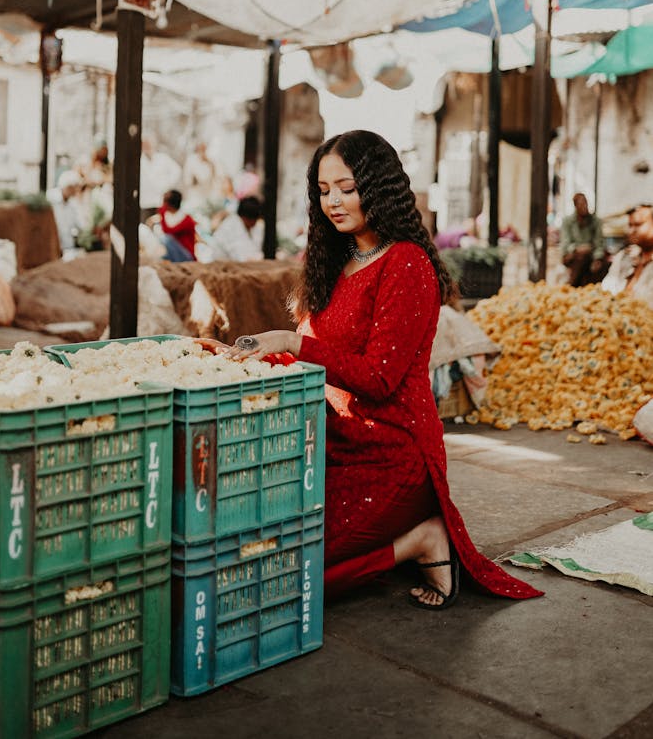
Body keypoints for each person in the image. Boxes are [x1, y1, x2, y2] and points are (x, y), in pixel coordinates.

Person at [212, 130, 541, 608]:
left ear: (378, 186)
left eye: (346, 188)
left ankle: (421, 537)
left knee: (285, 578)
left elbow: (377, 378)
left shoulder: (406, 265)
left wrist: (290, 341)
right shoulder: (337, 258)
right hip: (333, 444)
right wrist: (233, 358)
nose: (333, 202)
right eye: (324, 191)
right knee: (249, 553)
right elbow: (318, 359)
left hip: (392, 454)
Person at [602, 203, 653, 308]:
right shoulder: (624, 257)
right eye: (630, 225)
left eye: (638, 224)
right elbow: (605, 291)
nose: (631, 230)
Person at [560, 192, 607, 287]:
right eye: (581, 204)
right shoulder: (568, 222)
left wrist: (597, 258)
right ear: (576, 206)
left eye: (585, 203)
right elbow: (566, 244)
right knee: (580, 258)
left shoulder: (595, 221)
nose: (584, 207)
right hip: (573, 256)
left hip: (590, 255)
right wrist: (577, 249)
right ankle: (572, 285)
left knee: (602, 265)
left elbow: (599, 243)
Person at [147, 189, 198, 262]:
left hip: (186, 255)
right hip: (174, 253)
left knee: (166, 239)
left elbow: (169, 231)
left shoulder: (186, 220)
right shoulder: (166, 214)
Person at [209, 195, 264, 262]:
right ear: (246, 218)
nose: (255, 223)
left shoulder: (253, 228)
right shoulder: (231, 226)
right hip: (222, 265)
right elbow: (241, 258)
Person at [139, 137, 182, 223]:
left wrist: (167, 184)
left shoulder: (163, 158)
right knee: (145, 227)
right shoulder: (139, 160)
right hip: (145, 201)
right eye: (144, 145)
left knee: (161, 226)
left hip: (161, 200)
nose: (147, 147)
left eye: (148, 144)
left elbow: (177, 170)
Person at [47, 170, 85, 254]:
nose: (77, 191)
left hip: (67, 248)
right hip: (51, 246)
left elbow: (81, 225)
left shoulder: (73, 203)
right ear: (69, 187)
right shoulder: (50, 198)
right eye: (76, 187)